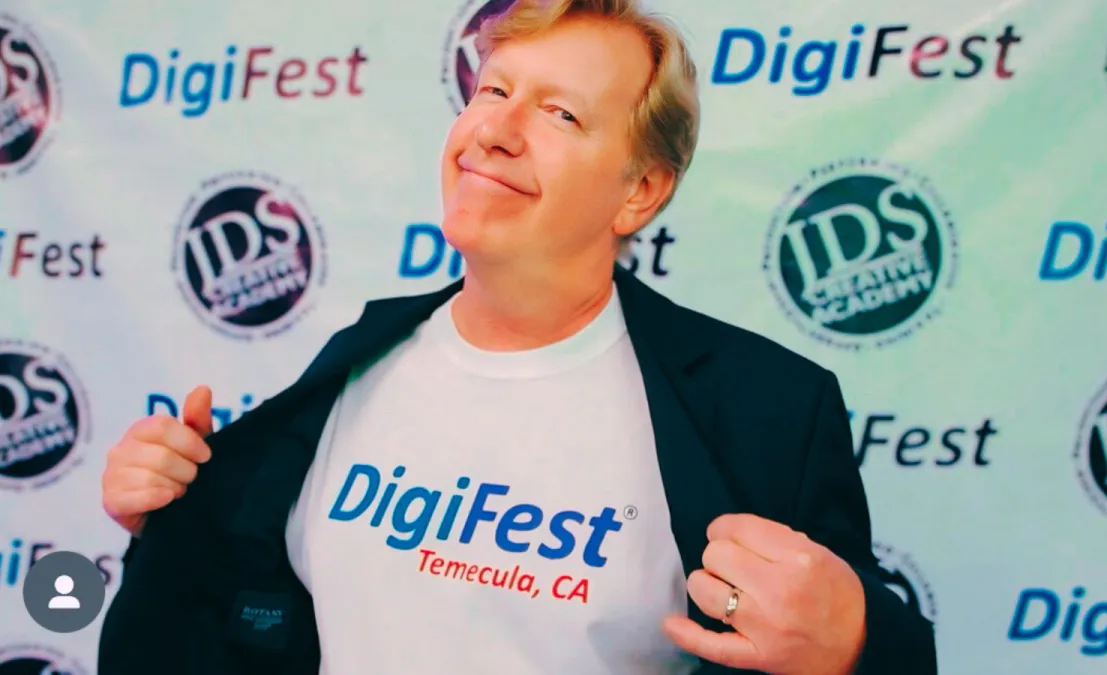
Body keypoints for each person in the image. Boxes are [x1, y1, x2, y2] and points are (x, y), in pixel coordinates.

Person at [96, 1, 937, 673]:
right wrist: (167, 519)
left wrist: (857, 647)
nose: (495, 130)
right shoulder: (359, 355)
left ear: (640, 191)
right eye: (493, 91)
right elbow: (226, 616)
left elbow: (849, 639)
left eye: (561, 113)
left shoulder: (765, 408)